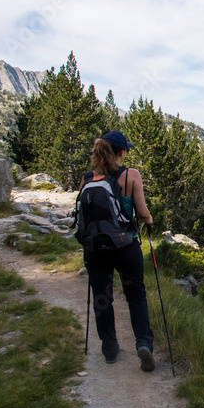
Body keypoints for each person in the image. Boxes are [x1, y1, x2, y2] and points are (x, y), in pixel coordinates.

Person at [79, 130, 156, 371]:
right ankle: (143, 343)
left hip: (95, 248)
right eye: (126, 150)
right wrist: (150, 222)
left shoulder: (88, 178)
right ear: (121, 152)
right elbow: (142, 213)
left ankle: (109, 349)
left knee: (102, 298)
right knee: (135, 295)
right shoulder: (130, 176)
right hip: (125, 245)